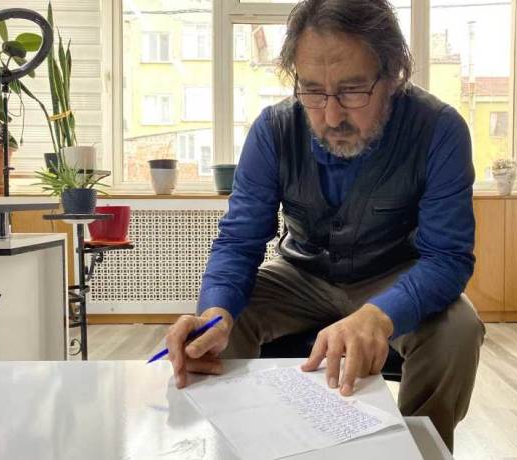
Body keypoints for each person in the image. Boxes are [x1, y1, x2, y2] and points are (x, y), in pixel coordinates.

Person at [166, 0, 485, 451]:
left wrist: (379, 315)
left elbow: (448, 258)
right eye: (313, 92)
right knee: (222, 324)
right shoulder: (273, 130)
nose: (332, 116)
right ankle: (236, 444)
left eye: (353, 91)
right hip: (299, 275)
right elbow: (239, 242)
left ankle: (418, 451)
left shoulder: (440, 130)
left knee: (459, 329)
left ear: (393, 75)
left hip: (395, 275)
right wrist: (214, 312)